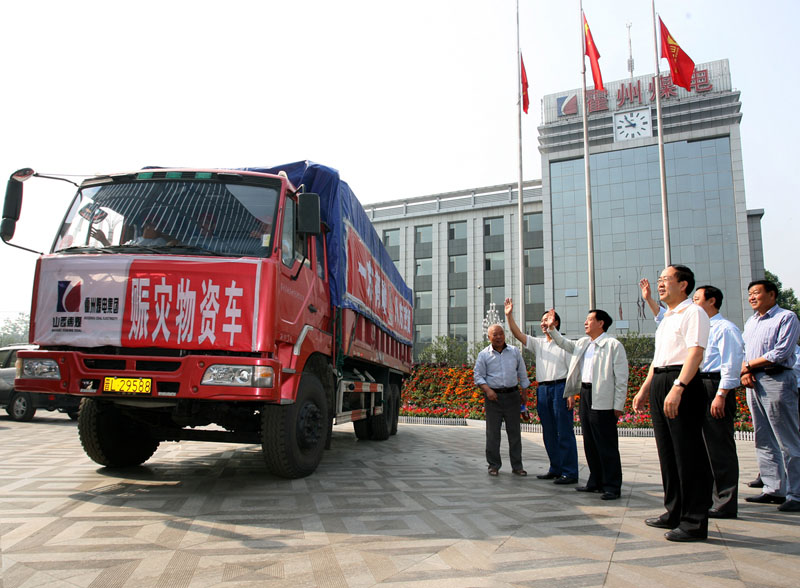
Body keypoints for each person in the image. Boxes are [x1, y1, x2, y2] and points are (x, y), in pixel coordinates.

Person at [633, 264, 712, 542]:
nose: (660, 284)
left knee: (688, 453)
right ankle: (674, 510)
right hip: (661, 382)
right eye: (659, 280)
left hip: (682, 383)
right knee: (667, 452)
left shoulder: (694, 313)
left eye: (666, 279)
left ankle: (694, 521)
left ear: (684, 285)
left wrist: (679, 386)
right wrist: (644, 389)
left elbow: (695, 353)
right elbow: (659, 358)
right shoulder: (667, 317)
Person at [543, 307, 628, 500]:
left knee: (606, 444)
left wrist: (618, 405)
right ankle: (595, 481)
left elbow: (622, 378)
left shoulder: (612, 345)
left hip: (604, 399)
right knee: (590, 442)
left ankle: (612, 486)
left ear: (601, 323)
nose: (586, 322)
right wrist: (551, 329)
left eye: (590, 319)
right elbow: (564, 344)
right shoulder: (583, 343)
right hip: (586, 394)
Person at [740, 279, 800, 512]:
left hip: (776, 380)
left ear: (772, 295)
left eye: (756, 293)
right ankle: (773, 488)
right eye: (750, 294)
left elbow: (781, 351)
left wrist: (748, 366)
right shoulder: (751, 322)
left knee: (787, 439)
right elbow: (745, 351)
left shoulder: (786, 317)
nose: (752, 297)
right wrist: (745, 370)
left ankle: (796, 493)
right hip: (753, 381)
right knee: (763, 437)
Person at [504, 299, 578, 484]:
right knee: (549, 431)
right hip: (543, 389)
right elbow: (517, 334)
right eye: (542, 320)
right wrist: (509, 315)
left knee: (564, 431)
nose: (543, 323)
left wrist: (571, 393)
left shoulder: (566, 344)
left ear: (556, 322)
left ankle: (570, 472)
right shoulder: (539, 343)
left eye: (547, 319)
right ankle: (555, 468)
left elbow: (573, 370)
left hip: (561, 388)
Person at [692, 285, 745, 519]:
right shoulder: (700, 328)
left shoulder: (726, 329)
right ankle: (709, 498)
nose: (693, 303)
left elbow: (731, 364)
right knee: (702, 447)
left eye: (697, 298)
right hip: (698, 384)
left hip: (715, 386)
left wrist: (721, 395)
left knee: (719, 446)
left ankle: (726, 502)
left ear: (711, 301)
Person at [474, 323, 531, 477]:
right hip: (493, 398)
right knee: (493, 433)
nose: (498, 337)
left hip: (513, 396)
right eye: (495, 334)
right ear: (489, 337)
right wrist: (488, 390)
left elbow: (522, 373)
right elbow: (478, 376)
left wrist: (524, 393)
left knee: (515, 433)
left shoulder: (514, 352)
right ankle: (493, 465)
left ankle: (517, 466)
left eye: (501, 334)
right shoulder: (484, 354)